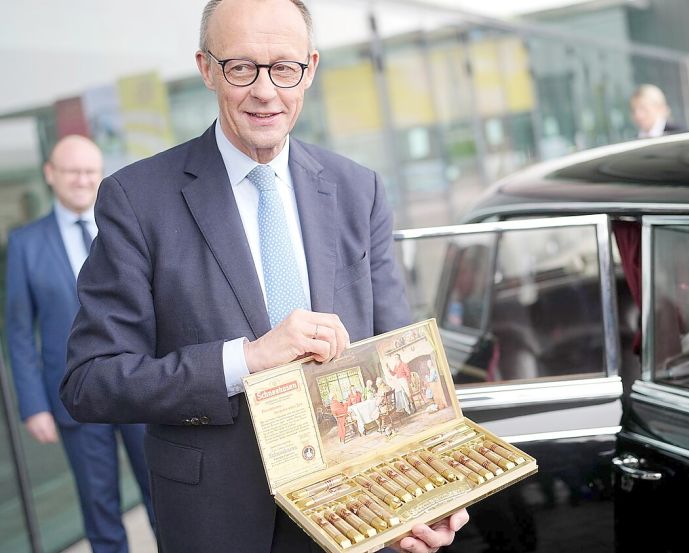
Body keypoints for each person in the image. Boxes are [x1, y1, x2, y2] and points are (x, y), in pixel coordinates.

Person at [60, 1, 467, 551]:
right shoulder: (136, 200)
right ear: (206, 68)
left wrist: (422, 495)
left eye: (284, 68)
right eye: (241, 68)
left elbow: (395, 365)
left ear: (311, 68)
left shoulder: (359, 191)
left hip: (356, 519)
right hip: (216, 521)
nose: (266, 91)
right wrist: (245, 361)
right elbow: (91, 381)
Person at [6, 135, 155, 553]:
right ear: (50, 174)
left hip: (138, 382)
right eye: (73, 171)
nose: (83, 180)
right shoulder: (25, 244)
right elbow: (18, 333)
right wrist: (34, 405)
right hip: (73, 394)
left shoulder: (127, 225)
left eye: (91, 170)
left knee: (164, 493)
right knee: (99, 506)